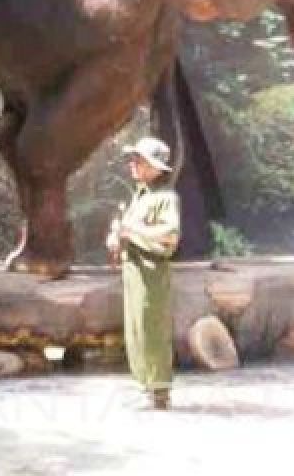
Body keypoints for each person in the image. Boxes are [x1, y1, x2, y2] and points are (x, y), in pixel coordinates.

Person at [107, 136, 181, 410]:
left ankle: (160, 391)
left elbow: (169, 236)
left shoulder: (165, 198)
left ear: (155, 167)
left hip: (152, 273)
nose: (133, 165)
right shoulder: (140, 196)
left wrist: (131, 232)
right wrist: (117, 239)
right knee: (136, 329)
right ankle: (145, 386)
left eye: (139, 161)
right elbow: (128, 231)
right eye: (133, 160)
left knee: (152, 329)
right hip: (133, 272)